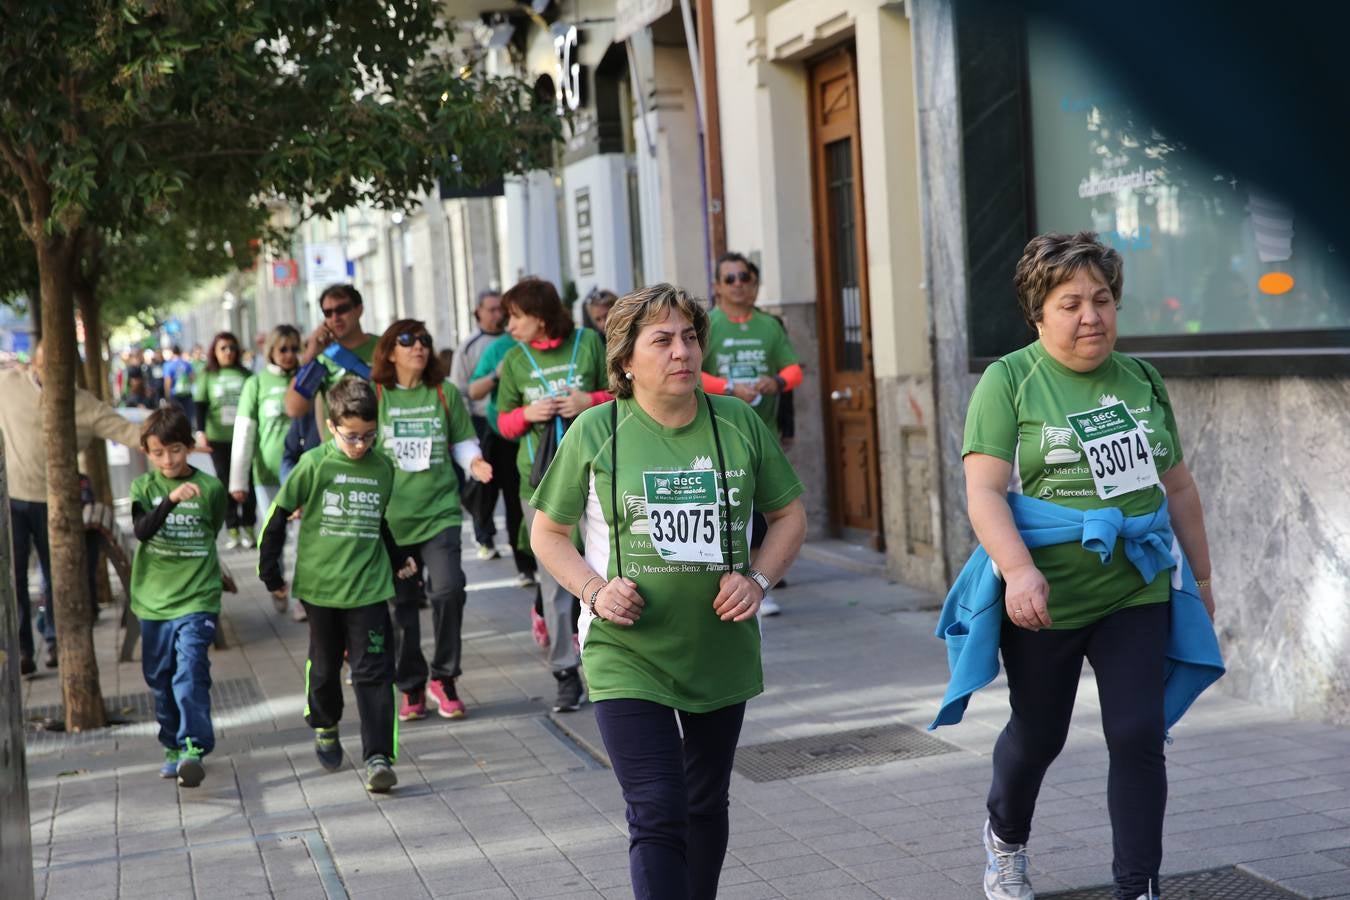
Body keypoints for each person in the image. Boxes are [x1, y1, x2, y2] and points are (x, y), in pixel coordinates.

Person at [941, 232, 1221, 900]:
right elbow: (983, 490)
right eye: (1070, 303)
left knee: (1138, 733)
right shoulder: (1010, 379)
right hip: (1045, 594)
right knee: (1039, 736)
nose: (1091, 315)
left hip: (1136, 585)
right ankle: (1005, 841)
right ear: (1038, 313)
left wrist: (1203, 581)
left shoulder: (1142, 379)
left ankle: (1138, 885)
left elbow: (1176, 486)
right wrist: (1017, 571)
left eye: (1101, 299)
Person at [530, 284, 807, 898]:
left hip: (720, 647)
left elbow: (790, 517)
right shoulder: (597, 429)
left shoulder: (737, 421)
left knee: (705, 803)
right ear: (626, 360)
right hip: (626, 651)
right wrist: (594, 591)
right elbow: (547, 532)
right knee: (657, 808)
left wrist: (758, 580)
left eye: (689, 337)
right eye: (662, 340)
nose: (682, 352)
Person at [257, 378, 416, 794]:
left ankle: (378, 756)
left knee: (374, 671)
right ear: (331, 426)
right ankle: (325, 724)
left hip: (369, 587)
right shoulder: (314, 465)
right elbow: (276, 517)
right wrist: (271, 575)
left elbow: (376, 521)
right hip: (321, 589)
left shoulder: (382, 467)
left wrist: (399, 558)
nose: (360, 445)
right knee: (324, 668)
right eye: (351, 436)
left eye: (368, 435)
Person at [494, 277, 610, 712]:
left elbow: (622, 392)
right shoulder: (515, 359)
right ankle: (565, 670)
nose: (509, 326)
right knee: (556, 577)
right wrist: (528, 413)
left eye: (516, 317)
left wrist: (589, 399)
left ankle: (611, 662)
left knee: (603, 564)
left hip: (598, 474)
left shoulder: (588, 343)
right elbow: (501, 424)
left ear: (540, 318)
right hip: (540, 482)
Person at [371, 320, 492, 722]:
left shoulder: (444, 393)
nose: (418, 347)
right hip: (392, 519)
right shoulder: (376, 396)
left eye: (424, 340)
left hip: (440, 511)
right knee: (401, 606)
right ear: (390, 351)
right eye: (407, 341)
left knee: (448, 590)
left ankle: (445, 677)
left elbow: (461, 440)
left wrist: (474, 462)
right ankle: (410, 686)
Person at [0, 341, 142, 675]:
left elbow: (127, 431)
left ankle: (54, 641)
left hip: (58, 505)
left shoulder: (82, 405)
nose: (54, 371)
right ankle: (22, 647)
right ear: (33, 365)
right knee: (15, 577)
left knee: (56, 577)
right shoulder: (8, 386)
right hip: (14, 500)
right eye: (48, 364)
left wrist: (173, 441)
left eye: (63, 365)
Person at [700, 252, 804, 616]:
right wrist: (727, 387)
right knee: (727, 509)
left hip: (763, 432)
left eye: (744, 277)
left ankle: (758, 583)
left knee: (763, 510)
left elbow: (794, 371)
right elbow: (693, 375)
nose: (739, 284)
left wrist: (774, 381)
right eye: (730, 279)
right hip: (716, 433)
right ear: (716, 287)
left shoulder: (769, 326)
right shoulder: (708, 325)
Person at [130, 406, 227, 788]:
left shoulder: (211, 489)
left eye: (175, 450)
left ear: (189, 447)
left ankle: (192, 747)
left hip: (198, 598)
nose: (167, 460)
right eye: (158, 453)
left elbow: (214, 525)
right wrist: (170, 501)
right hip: (153, 601)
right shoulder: (144, 488)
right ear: (147, 453)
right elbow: (142, 530)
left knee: (189, 673)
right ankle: (171, 743)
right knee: (160, 678)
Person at [229, 325, 304, 620]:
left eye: (294, 348)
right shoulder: (256, 384)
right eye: (283, 349)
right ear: (271, 350)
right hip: (268, 476)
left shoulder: (306, 378)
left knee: (304, 537)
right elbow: (245, 432)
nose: (289, 355)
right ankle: (277, 583)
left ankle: (302, 595)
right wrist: (238, 479)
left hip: (302, 475)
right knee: (275, 534)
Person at [468, 331, 539, 591]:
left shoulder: (570, 344)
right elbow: (473, 390)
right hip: (505, 440)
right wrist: (497, 374)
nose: (510, 322)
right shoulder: (499, 348)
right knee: (514, 503)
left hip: (551, 437)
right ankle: (525, 565)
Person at [450, 289, 507, 560]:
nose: (498, 314)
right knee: (482, 484)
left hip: (509, 420)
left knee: (510, 483)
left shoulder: (514, 340)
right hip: (480, 421)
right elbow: (459, 388)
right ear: (478, 312)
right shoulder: (469, 347)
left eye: (501, 309)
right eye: (492, 309)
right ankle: (484, 537)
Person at [193, 331, 254, 549]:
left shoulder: (246, 375)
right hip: (218, 438)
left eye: (232, 347)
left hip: (245, 438)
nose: (228, 352)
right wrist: (200, 433)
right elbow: (200, 406)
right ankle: (232, 529)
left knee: (248, 482)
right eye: (223, 348)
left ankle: (249, 527)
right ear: (215, 352)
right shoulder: (208, 375)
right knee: (225, 482)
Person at [285, 283, 378, 422]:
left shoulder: (384, 347)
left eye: (342, 309)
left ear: (359, 309)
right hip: (338, 442)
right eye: (328, 313)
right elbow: (294, 409)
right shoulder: (322, 357)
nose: (335, 317)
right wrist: (310, 355)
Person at [162, 344, 195, 422]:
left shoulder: (168, 365)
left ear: (172, 352)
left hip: (174, 394)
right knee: (187, 416)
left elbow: (167, 382)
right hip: (187, 393)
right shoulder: (187, 364)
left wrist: (167, 396)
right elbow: (192, 378)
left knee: (176, 417)